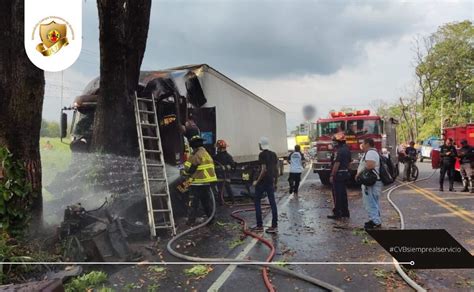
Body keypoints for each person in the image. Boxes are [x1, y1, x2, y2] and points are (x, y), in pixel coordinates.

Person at [182, 135, 218, 225]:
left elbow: (190, 170)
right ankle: (211, 220)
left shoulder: (196, 155)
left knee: (193, 202)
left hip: (197, 182)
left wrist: (183, 173)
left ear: (193, 146)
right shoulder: (206, 154)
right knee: (206, 202)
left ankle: (190, 221)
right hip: (206, 183)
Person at [251, 137, 279, 234]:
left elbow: (263, 169)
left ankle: (259, 226)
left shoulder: (262, 155)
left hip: (262, 182)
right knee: (273, 203)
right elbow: (276, 169)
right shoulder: (274, 154)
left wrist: (257, 181)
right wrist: (275, 183)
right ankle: (274, 226)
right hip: (270, 181)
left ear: (261, 145)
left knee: (257, 202)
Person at [356, 138, 383, 229]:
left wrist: (359, 174)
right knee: (373, 202)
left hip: (372, 183)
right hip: (373, 182)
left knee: (370, 202)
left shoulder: (370, 153)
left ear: (367, 144)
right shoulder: (372, 152)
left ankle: (375, 221)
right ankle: (374, 219)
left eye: (363, 143)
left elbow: (370, 165)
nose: (362, 145)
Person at [327, 132, 351, 219]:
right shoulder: (347, 150)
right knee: (343, 193)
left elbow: (336, 164)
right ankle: (345, 212)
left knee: (337, 194)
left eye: (334, 141)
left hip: (338, 175)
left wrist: (332, 175)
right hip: (345, 174)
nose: (333, 143)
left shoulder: (339, 151)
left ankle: (337, 213)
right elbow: (349, 163)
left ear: (338, 141)